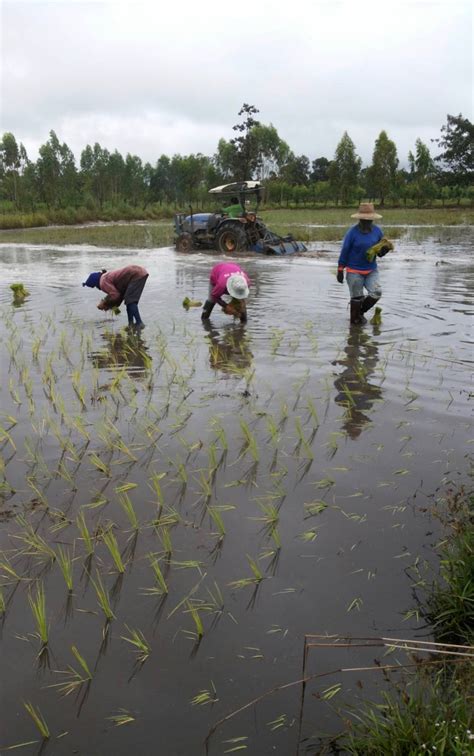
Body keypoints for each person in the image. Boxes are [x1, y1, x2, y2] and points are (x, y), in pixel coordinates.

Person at [336, 203, 392, 324]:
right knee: (357, 298)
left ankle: (359, 313)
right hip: (354, 271)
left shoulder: (377, 231)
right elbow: (345, 251)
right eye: (364, 220)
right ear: (359, 219)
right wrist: (340, 270)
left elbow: (380, 253)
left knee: (376, 292)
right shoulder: (352, 233)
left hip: (371, 270)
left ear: (372, 219)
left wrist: (385, 250)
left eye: (369, 220)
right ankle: (354, 328)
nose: (366, 222)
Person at [82, 265, 148, 328]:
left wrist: (104, 304)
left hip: (136, 274)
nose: (97, 288)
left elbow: (115, 295)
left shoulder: (103, 282)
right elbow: (119, 296)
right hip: (139, 272)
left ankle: (139, 323)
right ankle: (130, 324)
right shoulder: (106, 277)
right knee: (128, 301)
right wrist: (115, 310)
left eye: (95, 286)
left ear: (95, 283)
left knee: (130, 301)